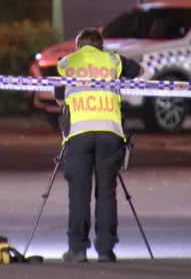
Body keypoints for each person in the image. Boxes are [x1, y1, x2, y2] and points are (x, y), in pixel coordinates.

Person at [54, 28, 143, 263]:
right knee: (106, 192)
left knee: (79, 193)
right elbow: (141, 70)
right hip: (109, 132)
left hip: (79, 133)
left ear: (78, 46)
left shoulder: (67, 63)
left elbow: (59, 98)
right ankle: (105, 250)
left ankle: (77, 249)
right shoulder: (113, 60)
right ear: (100, 46)